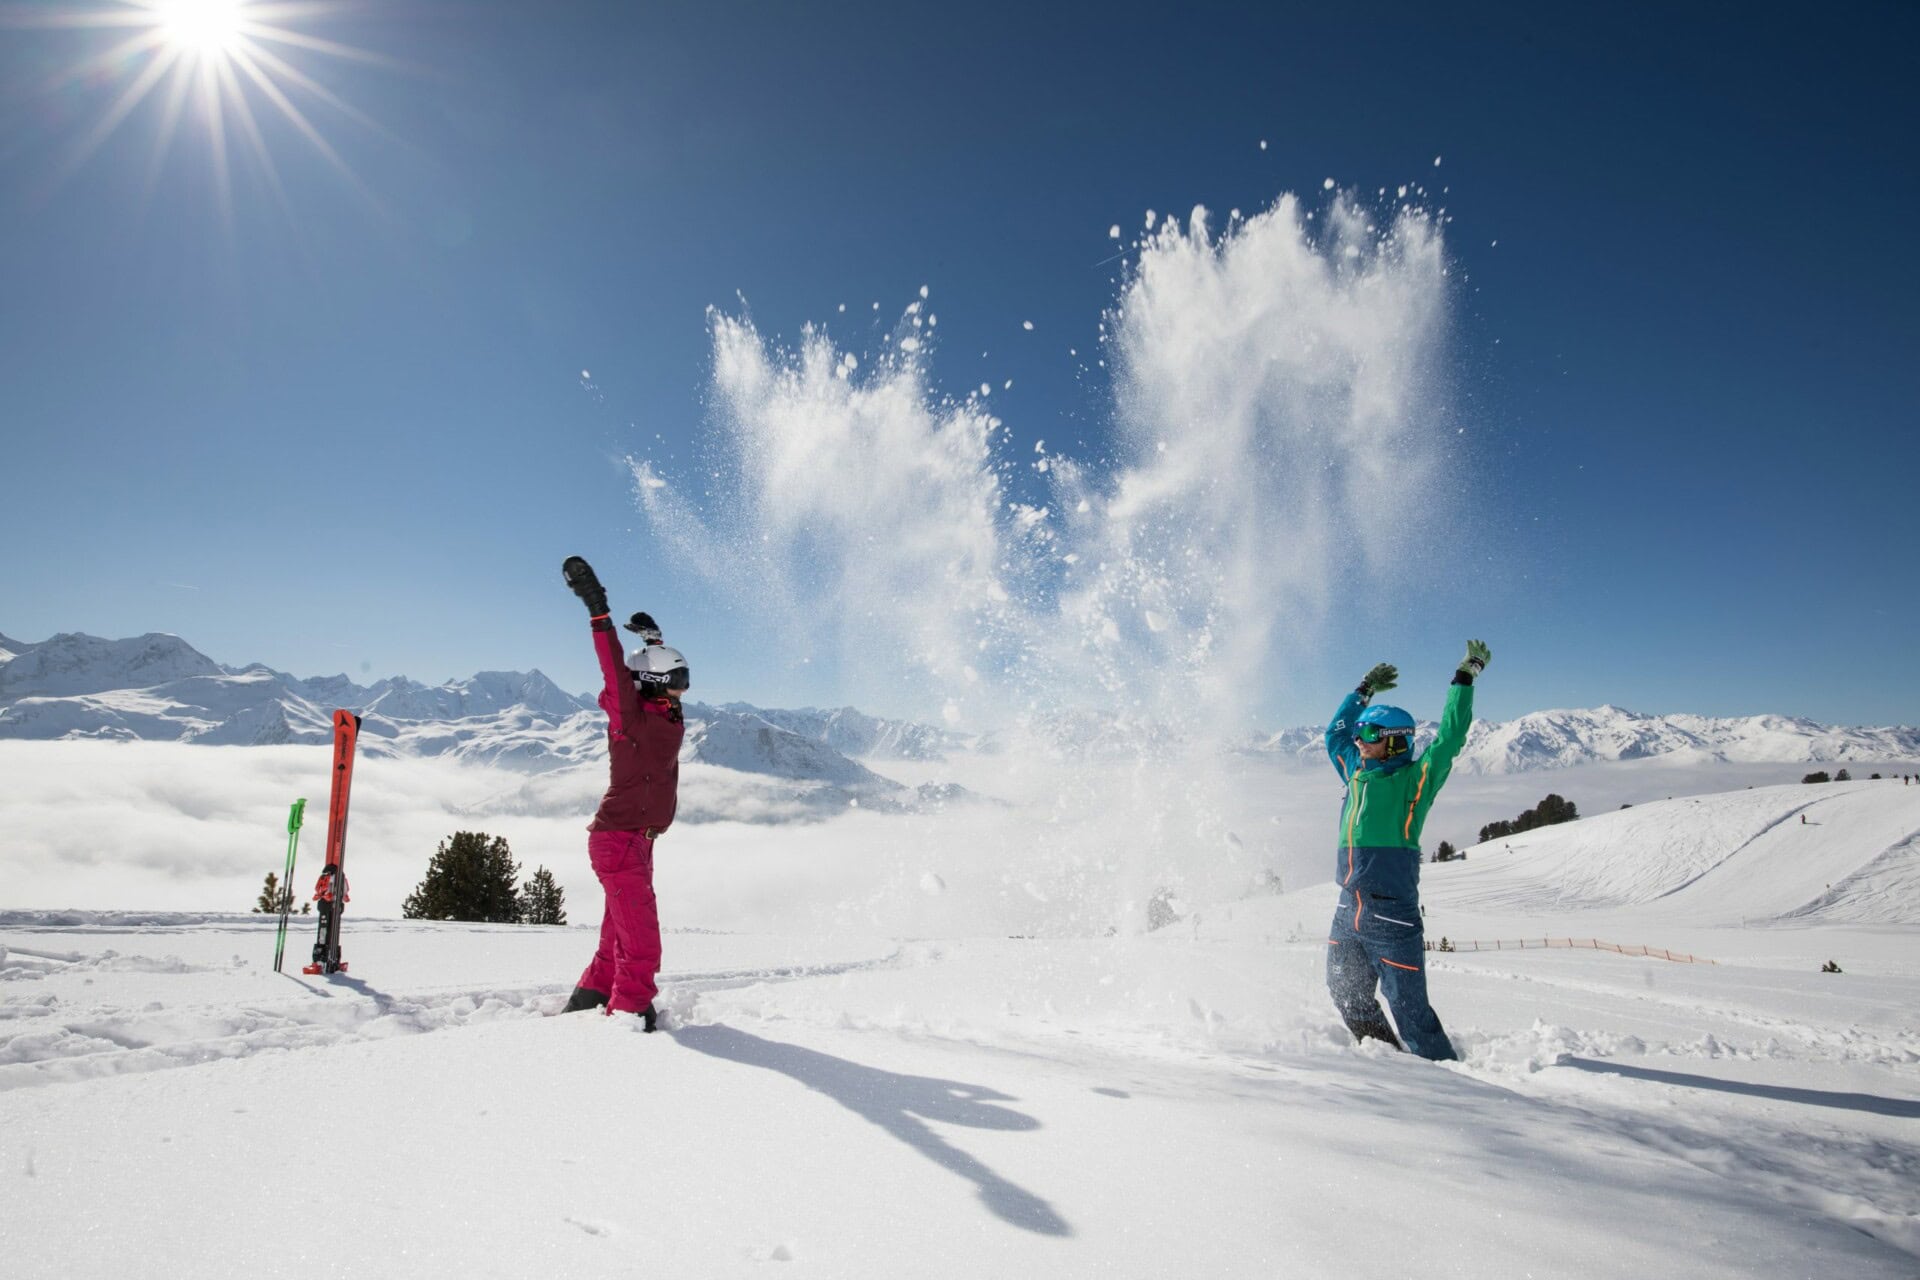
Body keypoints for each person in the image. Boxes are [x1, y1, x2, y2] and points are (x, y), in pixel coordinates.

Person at [1322, 640, 1489, 1061]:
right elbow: (1334, 734)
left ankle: (1447, 1082)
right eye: (1361, 732)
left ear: (1396, 742)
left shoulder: (1415, 782)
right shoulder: (1355, 771)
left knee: (1412, 1014)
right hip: (1348, 909)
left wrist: (1464, 678)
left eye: (1371, 734)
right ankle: (1389, 1067)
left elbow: (1450, 737)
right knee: (1346, 996)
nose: (1360, 739)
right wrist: (1362, 691)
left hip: (1391, 917)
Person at [559, 556, 690, 1030]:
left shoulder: (664, 713)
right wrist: (599, 612)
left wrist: (654, 643)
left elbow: (642, 674)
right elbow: (617, 670)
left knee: (619, 931)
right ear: (654, 685)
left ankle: (591, 996)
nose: (683, 691)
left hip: (641, 839)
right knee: (642, 942)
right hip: (618, 839)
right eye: (677, 682)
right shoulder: (628, 717)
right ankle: (631, 1013)